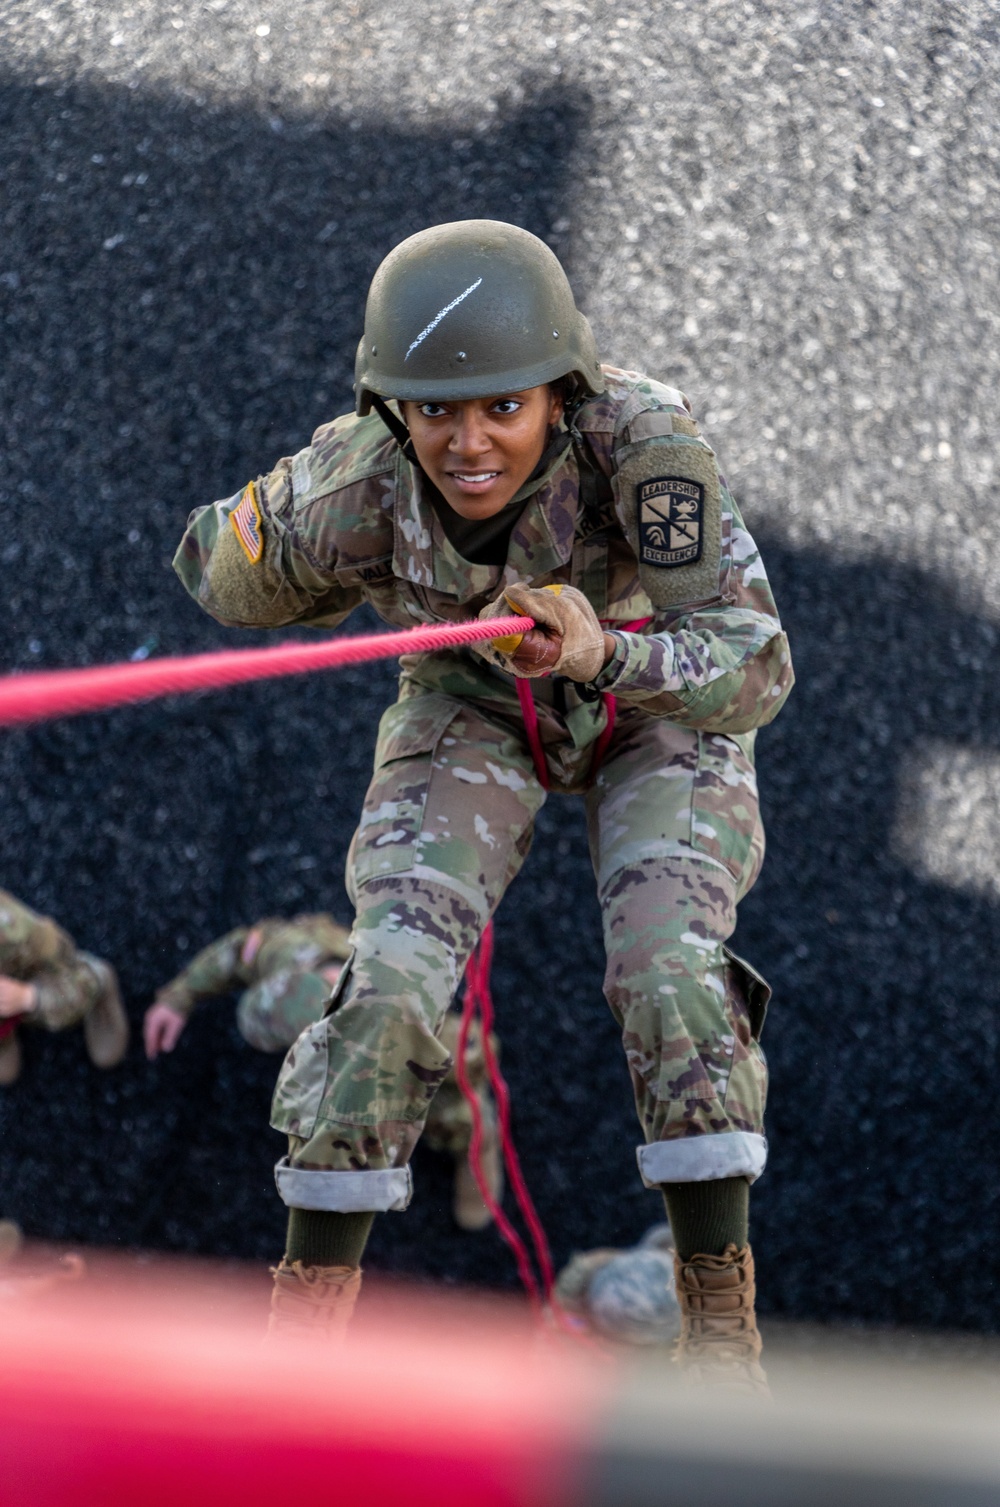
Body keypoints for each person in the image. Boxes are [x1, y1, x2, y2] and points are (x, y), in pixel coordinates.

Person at [174, 220, 794, 1384]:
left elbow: (755, 668)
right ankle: (306, 1325)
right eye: (432, 412)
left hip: (652, 699)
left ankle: (718, 1324)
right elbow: (214, 568)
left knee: (668, 967)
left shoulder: (643, 446)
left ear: (560, 394)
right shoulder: (357, 477)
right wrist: (283, 532)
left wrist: (604, 650)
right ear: (390, 408)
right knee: (388, 982)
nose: (467, 443)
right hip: (476, 706)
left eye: (502, 407)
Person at [143, 913, 502, 1231]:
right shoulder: (290, 952)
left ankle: (476, 1144)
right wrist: (179, 996)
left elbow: (474, 1049)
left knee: (453, 1114)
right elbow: (238, 954)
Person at [0, 888, 129, 1086]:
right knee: (7, 1073)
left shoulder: (14, 933)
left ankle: (99, 978)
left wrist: (30, 997)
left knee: (69, 999)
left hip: (33, 981)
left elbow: (63, 960)